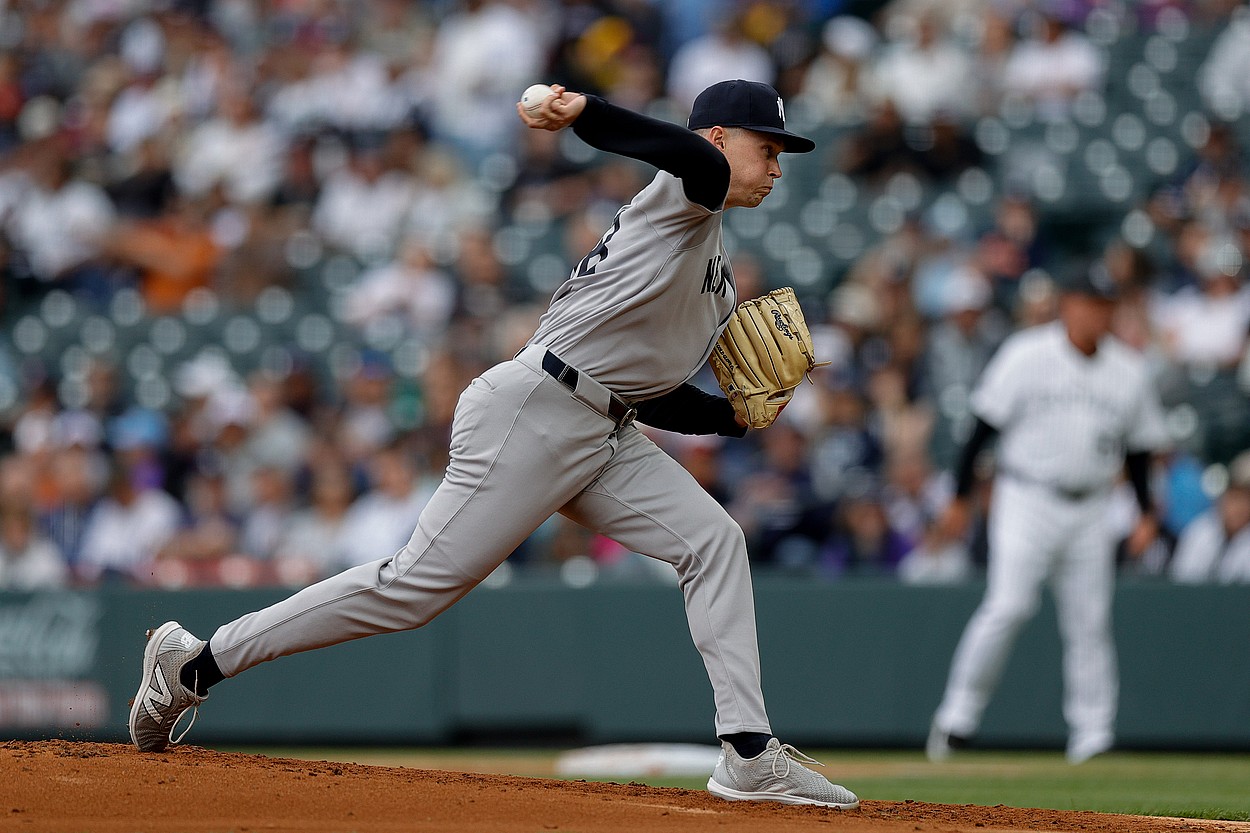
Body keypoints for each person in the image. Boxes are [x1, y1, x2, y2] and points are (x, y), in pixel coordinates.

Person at [127, 79, 859, 809]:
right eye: (768, 149)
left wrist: (732, 420)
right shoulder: (686, 192)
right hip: (536, 410)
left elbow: (652, 392)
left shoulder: (717, 278)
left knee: (713, 540)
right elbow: (675, 149)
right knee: (411, 589)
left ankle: (749, 753)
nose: (777, 167)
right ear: (720, 141)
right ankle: (194, 663)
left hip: (604, 428)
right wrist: (585, 114)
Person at [924, 261, 1170, 765]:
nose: (1096, 313)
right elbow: (981, 428)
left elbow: (1140, 450)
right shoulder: (1027, 353)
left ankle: (1093, 735)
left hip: (1092, 505)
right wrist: (959, 497)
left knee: (1089, 622)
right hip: (1026, 497)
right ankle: (956, 719)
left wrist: (1146, 511)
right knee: (1009, 606)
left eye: (1105, 305)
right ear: (1068, 305)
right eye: (1087, 303)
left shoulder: (1129, 370)